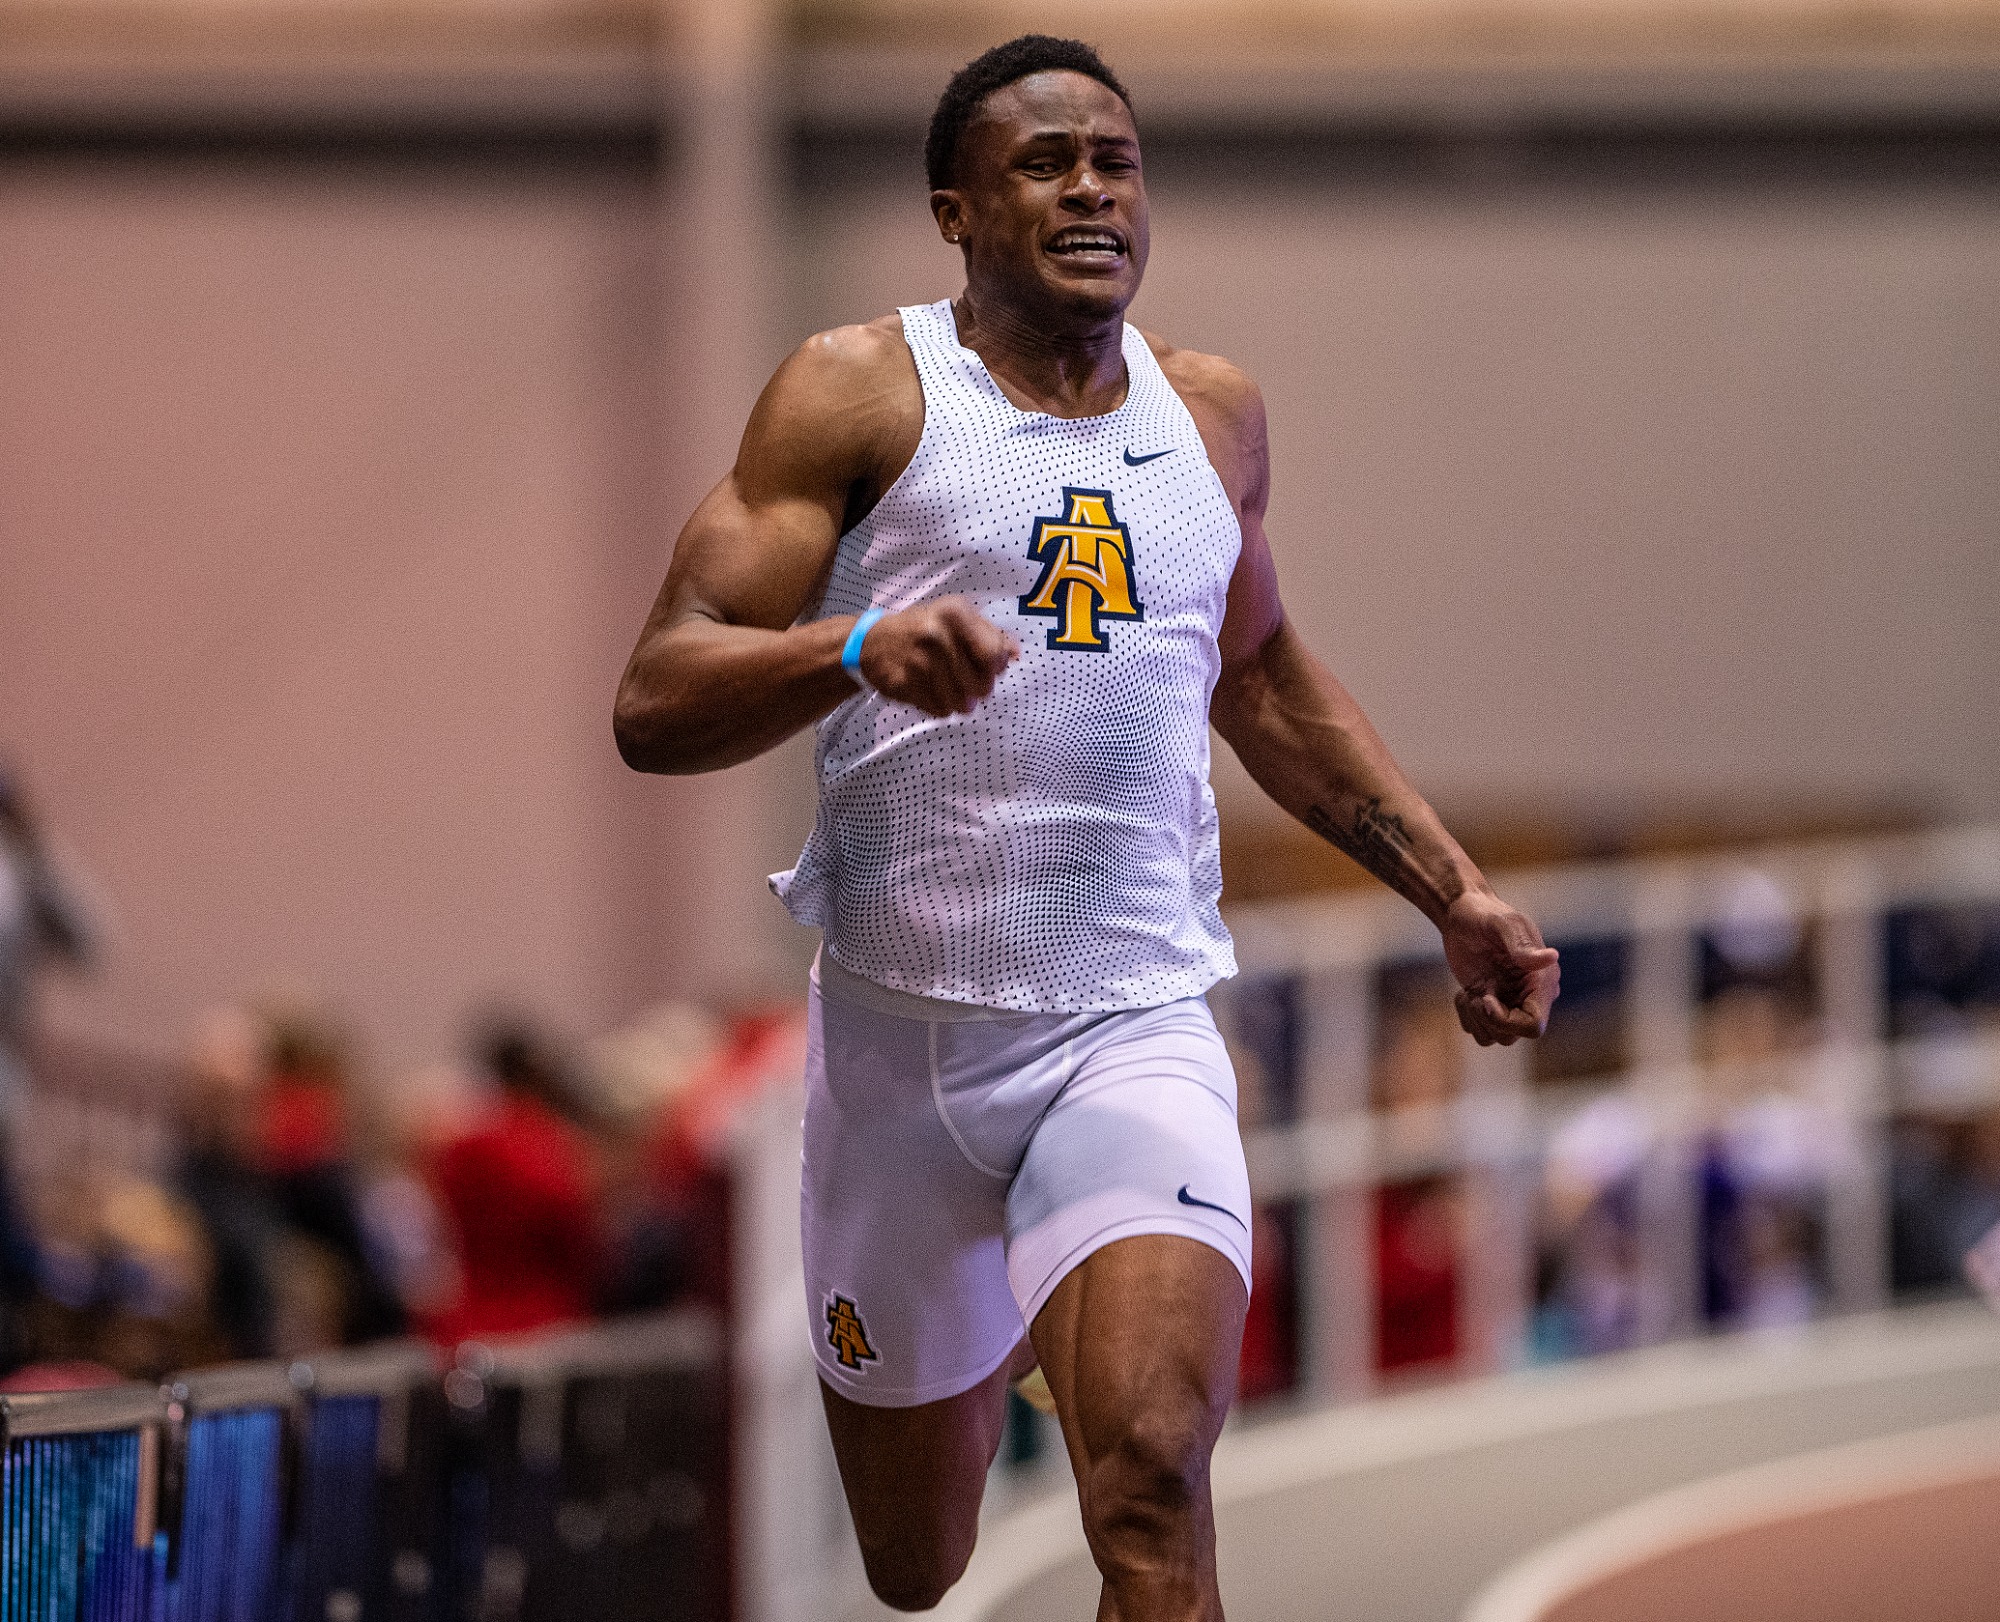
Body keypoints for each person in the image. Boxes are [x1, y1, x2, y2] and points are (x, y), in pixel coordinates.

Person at [614, 34, 1560, 1619]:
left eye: (1116, 161)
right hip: (904, 1053)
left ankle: (1087, 1298)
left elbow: (1258, 678)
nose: (1092, 189)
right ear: (955, 212)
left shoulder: (1214, 419)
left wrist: (1450, 890)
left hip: (1133, 1024)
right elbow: (656, 696)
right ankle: (1004, 1308)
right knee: (919, 1566)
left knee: (1148, 1477)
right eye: (1046, 163)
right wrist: (849, 646)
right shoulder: (860, 394)